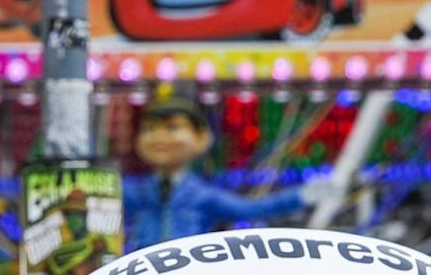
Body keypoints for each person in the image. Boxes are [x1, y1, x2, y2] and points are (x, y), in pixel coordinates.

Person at [125, 93, 302, 247]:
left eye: (173, 127)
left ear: (201, 138)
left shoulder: (201, 194)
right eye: (149, 129)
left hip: (187, 272)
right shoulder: (137, 191)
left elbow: (250, 209)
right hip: (142, 274)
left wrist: (302, 195)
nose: (159, 137)